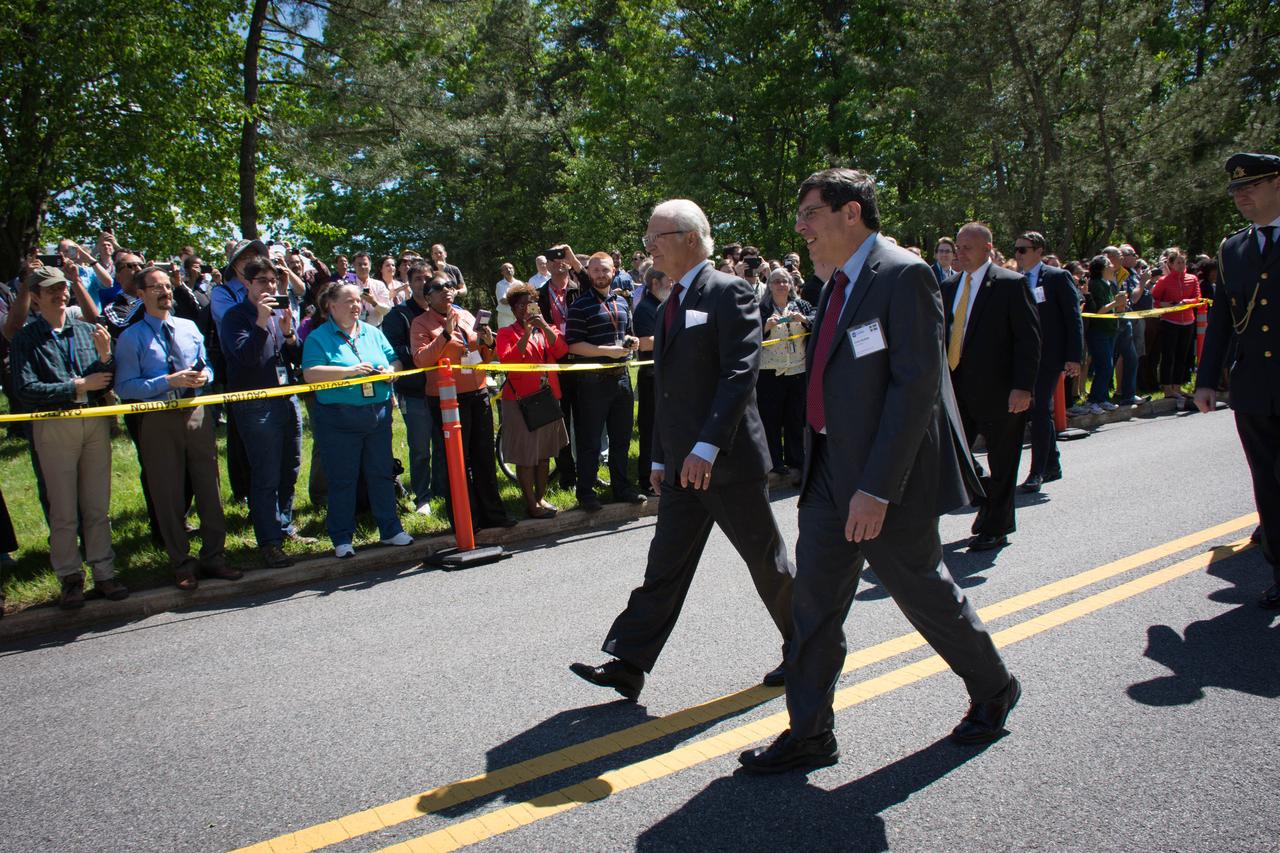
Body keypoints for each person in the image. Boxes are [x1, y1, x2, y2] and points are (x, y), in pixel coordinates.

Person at [740, 168, 1016, 774]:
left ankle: (994, 687)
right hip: (827, 471)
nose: (801, 227)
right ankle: (810, 733)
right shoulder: (833, 282)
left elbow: (915, 390)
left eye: (811, 213)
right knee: (813, 608)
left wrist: (875, 488)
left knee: (923, 592)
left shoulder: (903, 274)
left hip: (885, 478)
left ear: (852, 213)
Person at [571, 198, 795, 702]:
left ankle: (809, 645)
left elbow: (740, 374)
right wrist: (658, 456)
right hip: (681, 468)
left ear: (690, 238)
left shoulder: (730, 292)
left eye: (658, 236)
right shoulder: (671, 300)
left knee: (768, 565)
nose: (649, 247)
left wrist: (707, 447)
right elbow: (665, 387)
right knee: (664, 567)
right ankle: (629, 664)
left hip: (727, 462)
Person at [115, 265, 242, 590]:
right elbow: (125, 387)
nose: (165, 292)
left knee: (209, 488)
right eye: (156, 288)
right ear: (141, 295)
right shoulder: (132, 337)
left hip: (196, 413)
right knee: (167, 490)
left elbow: (209, 367)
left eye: (168, 286)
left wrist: (205, 377)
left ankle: (214, 556)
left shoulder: (188, 328)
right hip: (158, 418)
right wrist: (165, 381)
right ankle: (181, 562)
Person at [11, 266, 130, 609]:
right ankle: (70, 577)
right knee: (63, 508)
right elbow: (25, 389)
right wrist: (77, 386)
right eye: (52, 290)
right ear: (35, 298)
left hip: (92, 421)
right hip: (54, 424)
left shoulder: (85, 330)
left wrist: (105, 358)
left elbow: (103, 378)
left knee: (97, 504)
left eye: (63, 288)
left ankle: (104, 572)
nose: (61, 295)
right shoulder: (26, 338)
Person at [1195, 152, 1280, 609]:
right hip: (1254, 387)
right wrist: (1207, 380)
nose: (1241, 194)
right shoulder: (1233, 249)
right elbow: (1224, 321)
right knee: (1267, 481)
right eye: (1235, 189)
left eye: (1252, 184)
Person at [943, 222, 1041, 551]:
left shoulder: (1010, 284)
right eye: (958, 246)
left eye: (967, 247)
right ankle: (984, 496)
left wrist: (1023, 387)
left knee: (1003, 460)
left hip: (1001, 392)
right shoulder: (949, 286)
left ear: (987, 247)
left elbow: (1028, 340)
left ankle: (996, 526)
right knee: (952, 458)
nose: (961, 252)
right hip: (956, 390)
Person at [301, 283, 414, 557]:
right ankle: (341, 537)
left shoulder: (372, 333)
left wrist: (390, 370)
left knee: (380, 473)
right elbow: (310, 374)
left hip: (378, 414)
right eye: (349, 301)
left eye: (358, 301)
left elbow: (394, 360)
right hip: (338, 417)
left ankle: (390, 529)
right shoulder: (319, 337)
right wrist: (348, 371)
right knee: (343, 478)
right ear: (332, 305)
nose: (356, 306)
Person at [219, 259, 310, 568]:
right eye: (262, 281)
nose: (270, 286)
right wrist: (260, 321)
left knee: (290, 467)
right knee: (265, 474)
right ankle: (269, 542)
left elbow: (294, 358)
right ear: (246, 283)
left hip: (286, 398)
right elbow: (245, 357)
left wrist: (288, 335)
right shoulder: (236, 316)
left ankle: (284, 527)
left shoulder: (277, 315)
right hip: (255, 404)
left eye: (273, 280)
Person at [411, 274, 516, 532]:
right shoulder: (421, 323)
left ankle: (493, 514)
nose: (447, 290)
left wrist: (488, 342)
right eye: (438, 287)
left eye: (449, 286)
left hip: (477, 392)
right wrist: (445, 334)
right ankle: (466, 519)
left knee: (483, 456)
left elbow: (482, 354)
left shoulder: (467, 316)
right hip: (446, 399)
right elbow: (422, 360)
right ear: (428, 296)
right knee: (457, 460)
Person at [564, 252, 647, 511]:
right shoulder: (579, 305)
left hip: (621, 379)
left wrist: (631, 343)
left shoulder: (622, 303)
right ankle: (586, 493)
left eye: (605, 270)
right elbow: (574, 345)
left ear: (614, 271)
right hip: (592, 382)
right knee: (589, 441)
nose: (601, 275)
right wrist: (606, 351)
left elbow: (630, 335)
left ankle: (621, 488)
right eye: (596, 271)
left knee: (621, 439)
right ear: (589, 273)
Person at [1013, 231, 1083, 492]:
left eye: (1024, 249)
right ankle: (1052, 463)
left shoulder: (1056, 277)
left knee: (1041, 407)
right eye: (1016, 249)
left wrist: (1074, 356)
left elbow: (1072, 318)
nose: (1018, 254)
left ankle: (1037, 471)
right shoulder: (1016, 280)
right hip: (1026, 356)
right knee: (1037, 410)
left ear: (1039, 250)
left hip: (1050, 355)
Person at [496, 283, 570, 518]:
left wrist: (543, 327)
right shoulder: (507, 333)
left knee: (544, 453)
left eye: (529, 304)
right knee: (527, 455)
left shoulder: (547, 327)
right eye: (519, 305)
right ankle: (530, 503)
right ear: (513, 308)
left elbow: (560, 350)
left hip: (546, 398)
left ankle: (541, 497)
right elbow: (508, 361)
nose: (524, 309)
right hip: (519, 401)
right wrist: (526, 334)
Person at [382, 262, 447, 515]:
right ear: (410, 284)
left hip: (443, 389)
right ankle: (423, 497)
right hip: (414, 391)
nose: (424, 283)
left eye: (428, 278)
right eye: (418, 279)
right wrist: (429, 350)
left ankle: (442, 491)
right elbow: (395, 350)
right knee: (420, 448)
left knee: (443, 444)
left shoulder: (443, 311)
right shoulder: (397, 315)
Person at [537, 247, 586, 491]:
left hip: (581, 358)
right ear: (547, 264)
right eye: (553, 260)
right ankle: (568, 476)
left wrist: (573, 257)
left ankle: (588, 472)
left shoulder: (579, 289)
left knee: (586, 420)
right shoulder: (539, 294)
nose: (559, 264)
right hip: (554, 363)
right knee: (561, 421)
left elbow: (589, 278)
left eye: (563, 259)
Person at [757, 267, 813, 478]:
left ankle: (796, 460)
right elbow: (748, 335)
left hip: (797, 369)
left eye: (784, 281)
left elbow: (817, 322)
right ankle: (774, 461)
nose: (781, 285)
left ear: (791, 285)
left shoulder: (802, 306)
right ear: (769, 286)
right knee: (771, 419)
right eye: (776, 281)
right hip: (769, 372)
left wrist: (804, 320)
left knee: (795, 418)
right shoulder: (761, 309)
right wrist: (765, 326)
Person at [632, 266, 671, 496]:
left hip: (666, 376)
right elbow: (644, 343)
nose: (672, 284)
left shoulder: (663, 304)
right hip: (650, 378)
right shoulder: (645, 308)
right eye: (668, 280)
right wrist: (675, 334)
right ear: (655, 283)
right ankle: (646, 479)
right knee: (650, 430)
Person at [1151, 247, 1202, 408]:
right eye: (1178, 262)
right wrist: (1166, 304)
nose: (1181, 265)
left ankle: (1177, 387)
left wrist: (1185, 303)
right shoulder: (1164, 281)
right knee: (1168, 356)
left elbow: (1198, 298)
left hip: (1188, 322)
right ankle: (1167, 388)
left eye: (1183, 262)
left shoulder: (1192, 278)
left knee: (1183, 356)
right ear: (1171, 264)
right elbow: (1155, 300)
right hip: (1170, 322)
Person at [1080, 254, 1127, 415]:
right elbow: (1098, 310)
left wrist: (1119, 306)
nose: (1112, 267)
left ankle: (1102, 398)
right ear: (1101, 269)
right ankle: (1093, 400)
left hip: (1110, 330)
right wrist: (1116, 302)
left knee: (1108, 366)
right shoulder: (1095, 284)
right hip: (1098, 331)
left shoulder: (1107, 284)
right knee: (1104, 366)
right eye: (1108, 265)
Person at [351, 252, 392, 326]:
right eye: (359, 264)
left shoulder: (379, 285)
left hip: (376, 328)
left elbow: (387, 311)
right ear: (354, 266)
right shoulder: (348, 286)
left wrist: (374, 302)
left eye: (365, 264)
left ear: (370, 266)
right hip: (353, 328)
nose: (363, 267)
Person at [494, 262, 519, 329]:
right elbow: (503, 300)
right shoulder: (499, 285)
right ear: (502, 272)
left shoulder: (520, 284)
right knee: (506, 337)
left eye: (510, 268)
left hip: (518, 316)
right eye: (506, 269)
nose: (508, 270)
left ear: (513, 270)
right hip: (505, 318)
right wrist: (518, 299)